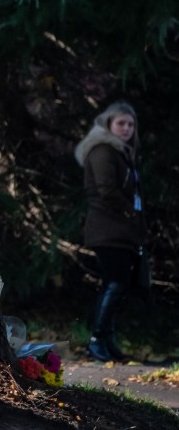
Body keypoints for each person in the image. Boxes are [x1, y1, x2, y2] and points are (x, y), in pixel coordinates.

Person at [74, 101, 147, 362]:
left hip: (120, 229)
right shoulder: (103, 150)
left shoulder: (122, 152)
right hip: (107, 227)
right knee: (115, 282)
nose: (126, 128)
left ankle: (106, 340)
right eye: (121, 123)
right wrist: (131, 212)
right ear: (108, 124)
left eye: (130, 124)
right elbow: (106, 190)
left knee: (117, 283)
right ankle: (96, 341)